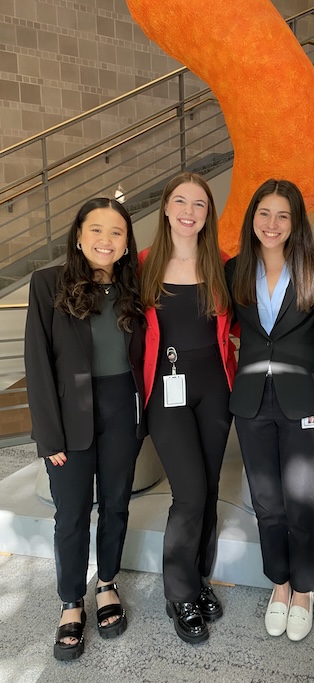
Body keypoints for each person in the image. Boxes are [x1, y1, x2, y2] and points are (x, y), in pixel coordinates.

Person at [24, 198, 146, 661]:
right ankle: (71, 600)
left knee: (115, 504)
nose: (105, 240)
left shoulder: (134, 286)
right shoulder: (48, 284)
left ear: (126, 241)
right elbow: (37, 364)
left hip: (121, 410)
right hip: (69, 415)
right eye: (96, 230)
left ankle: (107, 584)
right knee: (71, 513)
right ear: (78, 235)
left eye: (116, 232)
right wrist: (48, 437)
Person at [225, 179, 314, 642]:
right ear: (252, 219)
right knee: (267, 502)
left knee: (301, 502)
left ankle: (305, 590)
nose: (272, 224)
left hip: (304, 398)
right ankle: (280, 585)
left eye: (283, 215)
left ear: (295, 222)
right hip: (252, 402)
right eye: (264, 213)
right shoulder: (234, 271)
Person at [139, 172, 236, 644]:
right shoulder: (141, 265)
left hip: (215, 388)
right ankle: (179, 592)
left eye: (199, 204)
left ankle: (199, 581)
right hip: (165, 392)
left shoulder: (221, 264)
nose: (189, 211)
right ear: (165, 207)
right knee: (189, 493)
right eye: (181, 200)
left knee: (211, 488)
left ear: (207, 214)